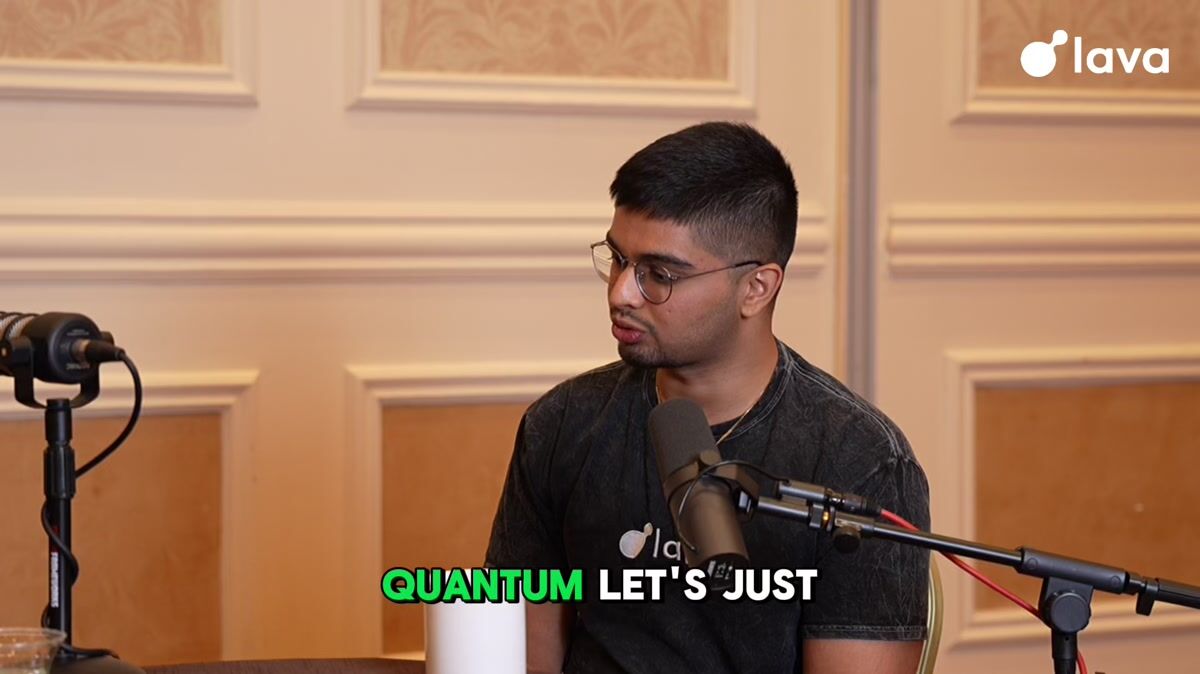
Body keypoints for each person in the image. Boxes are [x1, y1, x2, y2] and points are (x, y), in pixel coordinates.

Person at [486, 122, 930, 674]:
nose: (621, 293)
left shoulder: (861, 462)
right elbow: (519, 655)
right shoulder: (561, 425)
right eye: (618, 259)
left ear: (756, 288)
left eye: (659, 274)